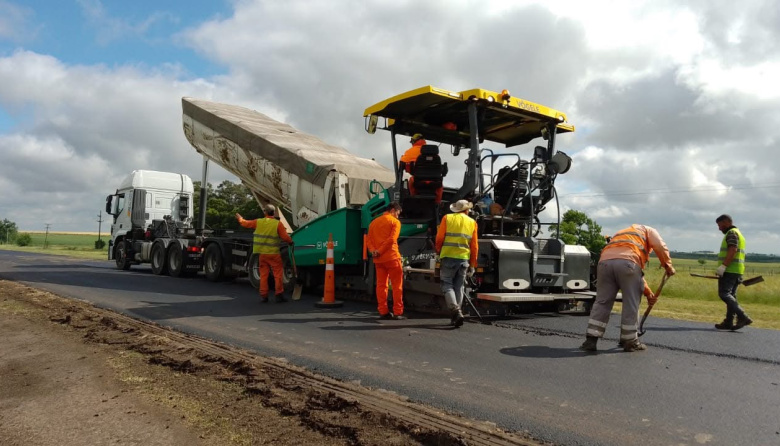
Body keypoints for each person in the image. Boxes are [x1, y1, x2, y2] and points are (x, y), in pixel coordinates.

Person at [580, 224, 676, 352]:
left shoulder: (624, 233)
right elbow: (660, 246)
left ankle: (591, 340)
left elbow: (637, 276)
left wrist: (648, 293)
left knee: (602, 302)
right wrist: (668, 265)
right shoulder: (649, 231)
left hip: (604, 264)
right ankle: (630, 341)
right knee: (631, 302)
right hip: (628, 263)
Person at [236, 205, 293, 303]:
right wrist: (291, 242)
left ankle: (264, 296)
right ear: (274, 213)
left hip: (262, 254)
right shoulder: (277, 224)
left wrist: (240, 219)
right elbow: (285, 237)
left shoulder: (259, 222)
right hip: (274, 254)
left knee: (264, 275)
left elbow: (245, 223)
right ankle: (279, 294)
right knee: (278, 275)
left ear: (265, 212)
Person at [435, 199, 478, 327]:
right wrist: (473, 264)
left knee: (447, 285)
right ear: (466, 210)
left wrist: (438, 251)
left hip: (448, 257)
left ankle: (455, 311)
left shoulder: (447, 218)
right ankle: (457, 314)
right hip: (464, 259)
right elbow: (474, 246)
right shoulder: (472, 222)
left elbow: (439, 238)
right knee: (459, 286)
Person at [366, 201, 406, 320]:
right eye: (398, 213)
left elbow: (368, 240)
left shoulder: (373, 223)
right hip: (392, 257)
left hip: (378, 260)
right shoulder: (395, 222)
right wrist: (381, 250)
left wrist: (374, 251)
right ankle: (398, 312)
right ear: (393, 210)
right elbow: (392, 239)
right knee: (396, 285)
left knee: (381, 285)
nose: (398, 216)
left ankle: (383, 311)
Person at [714, 214, 752, 330]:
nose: (719, 228)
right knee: (731, 296)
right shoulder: (738, 233)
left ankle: (743, 316)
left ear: (726, 222)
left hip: (730, 270)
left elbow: (733, 249)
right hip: (737, 270)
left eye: (720, 225)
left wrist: (723, 266)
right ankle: (728, 322)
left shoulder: (731, 233)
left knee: (724, 293)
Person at [399, 133, 443, 202]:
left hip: (418, 182)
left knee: (411, 180)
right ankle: (437, 204)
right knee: (440, 185)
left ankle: (413, 201)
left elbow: (400, 165)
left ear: (414, 141)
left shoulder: (410, 152)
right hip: (434, 183)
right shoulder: (436, 157)